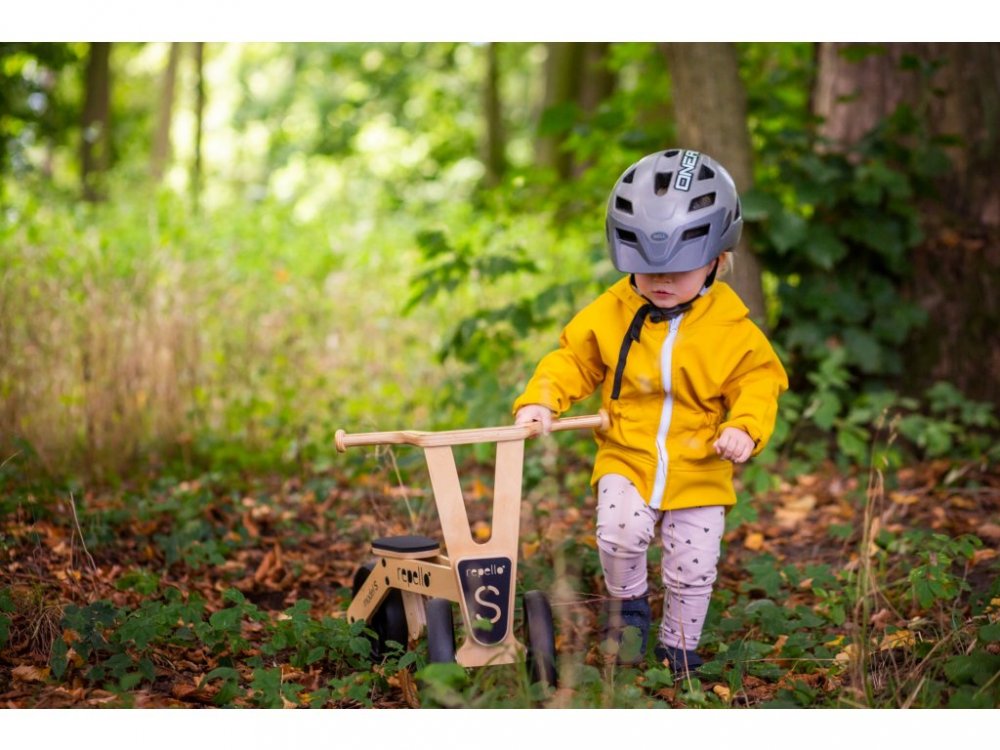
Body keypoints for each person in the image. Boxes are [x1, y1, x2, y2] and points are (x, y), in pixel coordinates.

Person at [512, 148, 788, 675]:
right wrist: (540, 399)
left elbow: (759, 381)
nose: (660, 282)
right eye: (644, 268)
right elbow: (574, 358)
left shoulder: (732, 328)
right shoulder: (613, 311)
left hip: (701, 464)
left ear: (715, 261)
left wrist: (745, 427)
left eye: (678, 270)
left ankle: (679, 649)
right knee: (618, 534)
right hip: (628, 455)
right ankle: (629, 606)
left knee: (692, 567)